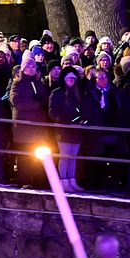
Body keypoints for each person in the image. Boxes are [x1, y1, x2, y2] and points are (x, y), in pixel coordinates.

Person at [9, 57, 50, 187]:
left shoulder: (38, 83)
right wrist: (35, 104)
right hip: (24, 127)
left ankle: (37, 180)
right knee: (25, 156)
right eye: (29, 67)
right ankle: (24, 180)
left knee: (37, 156)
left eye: (33, 67)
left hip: (38, 127)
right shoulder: (18, 83)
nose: (32, 69)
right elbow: (16, 101)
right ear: (23, 69)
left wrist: (42, 101)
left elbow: (45, 99)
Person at [48, 65, 83, 192]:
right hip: (63, 129)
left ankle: (72, 180)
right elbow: (53, 111)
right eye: (69, 79)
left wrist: (80, 119)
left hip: (76, 129)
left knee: (73, 157)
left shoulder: (77, 93)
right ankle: (63, 181)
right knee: (64, 157)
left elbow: (81, 109)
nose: (71, 81)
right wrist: (65, 121)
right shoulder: (57, 93)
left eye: (73, 79)